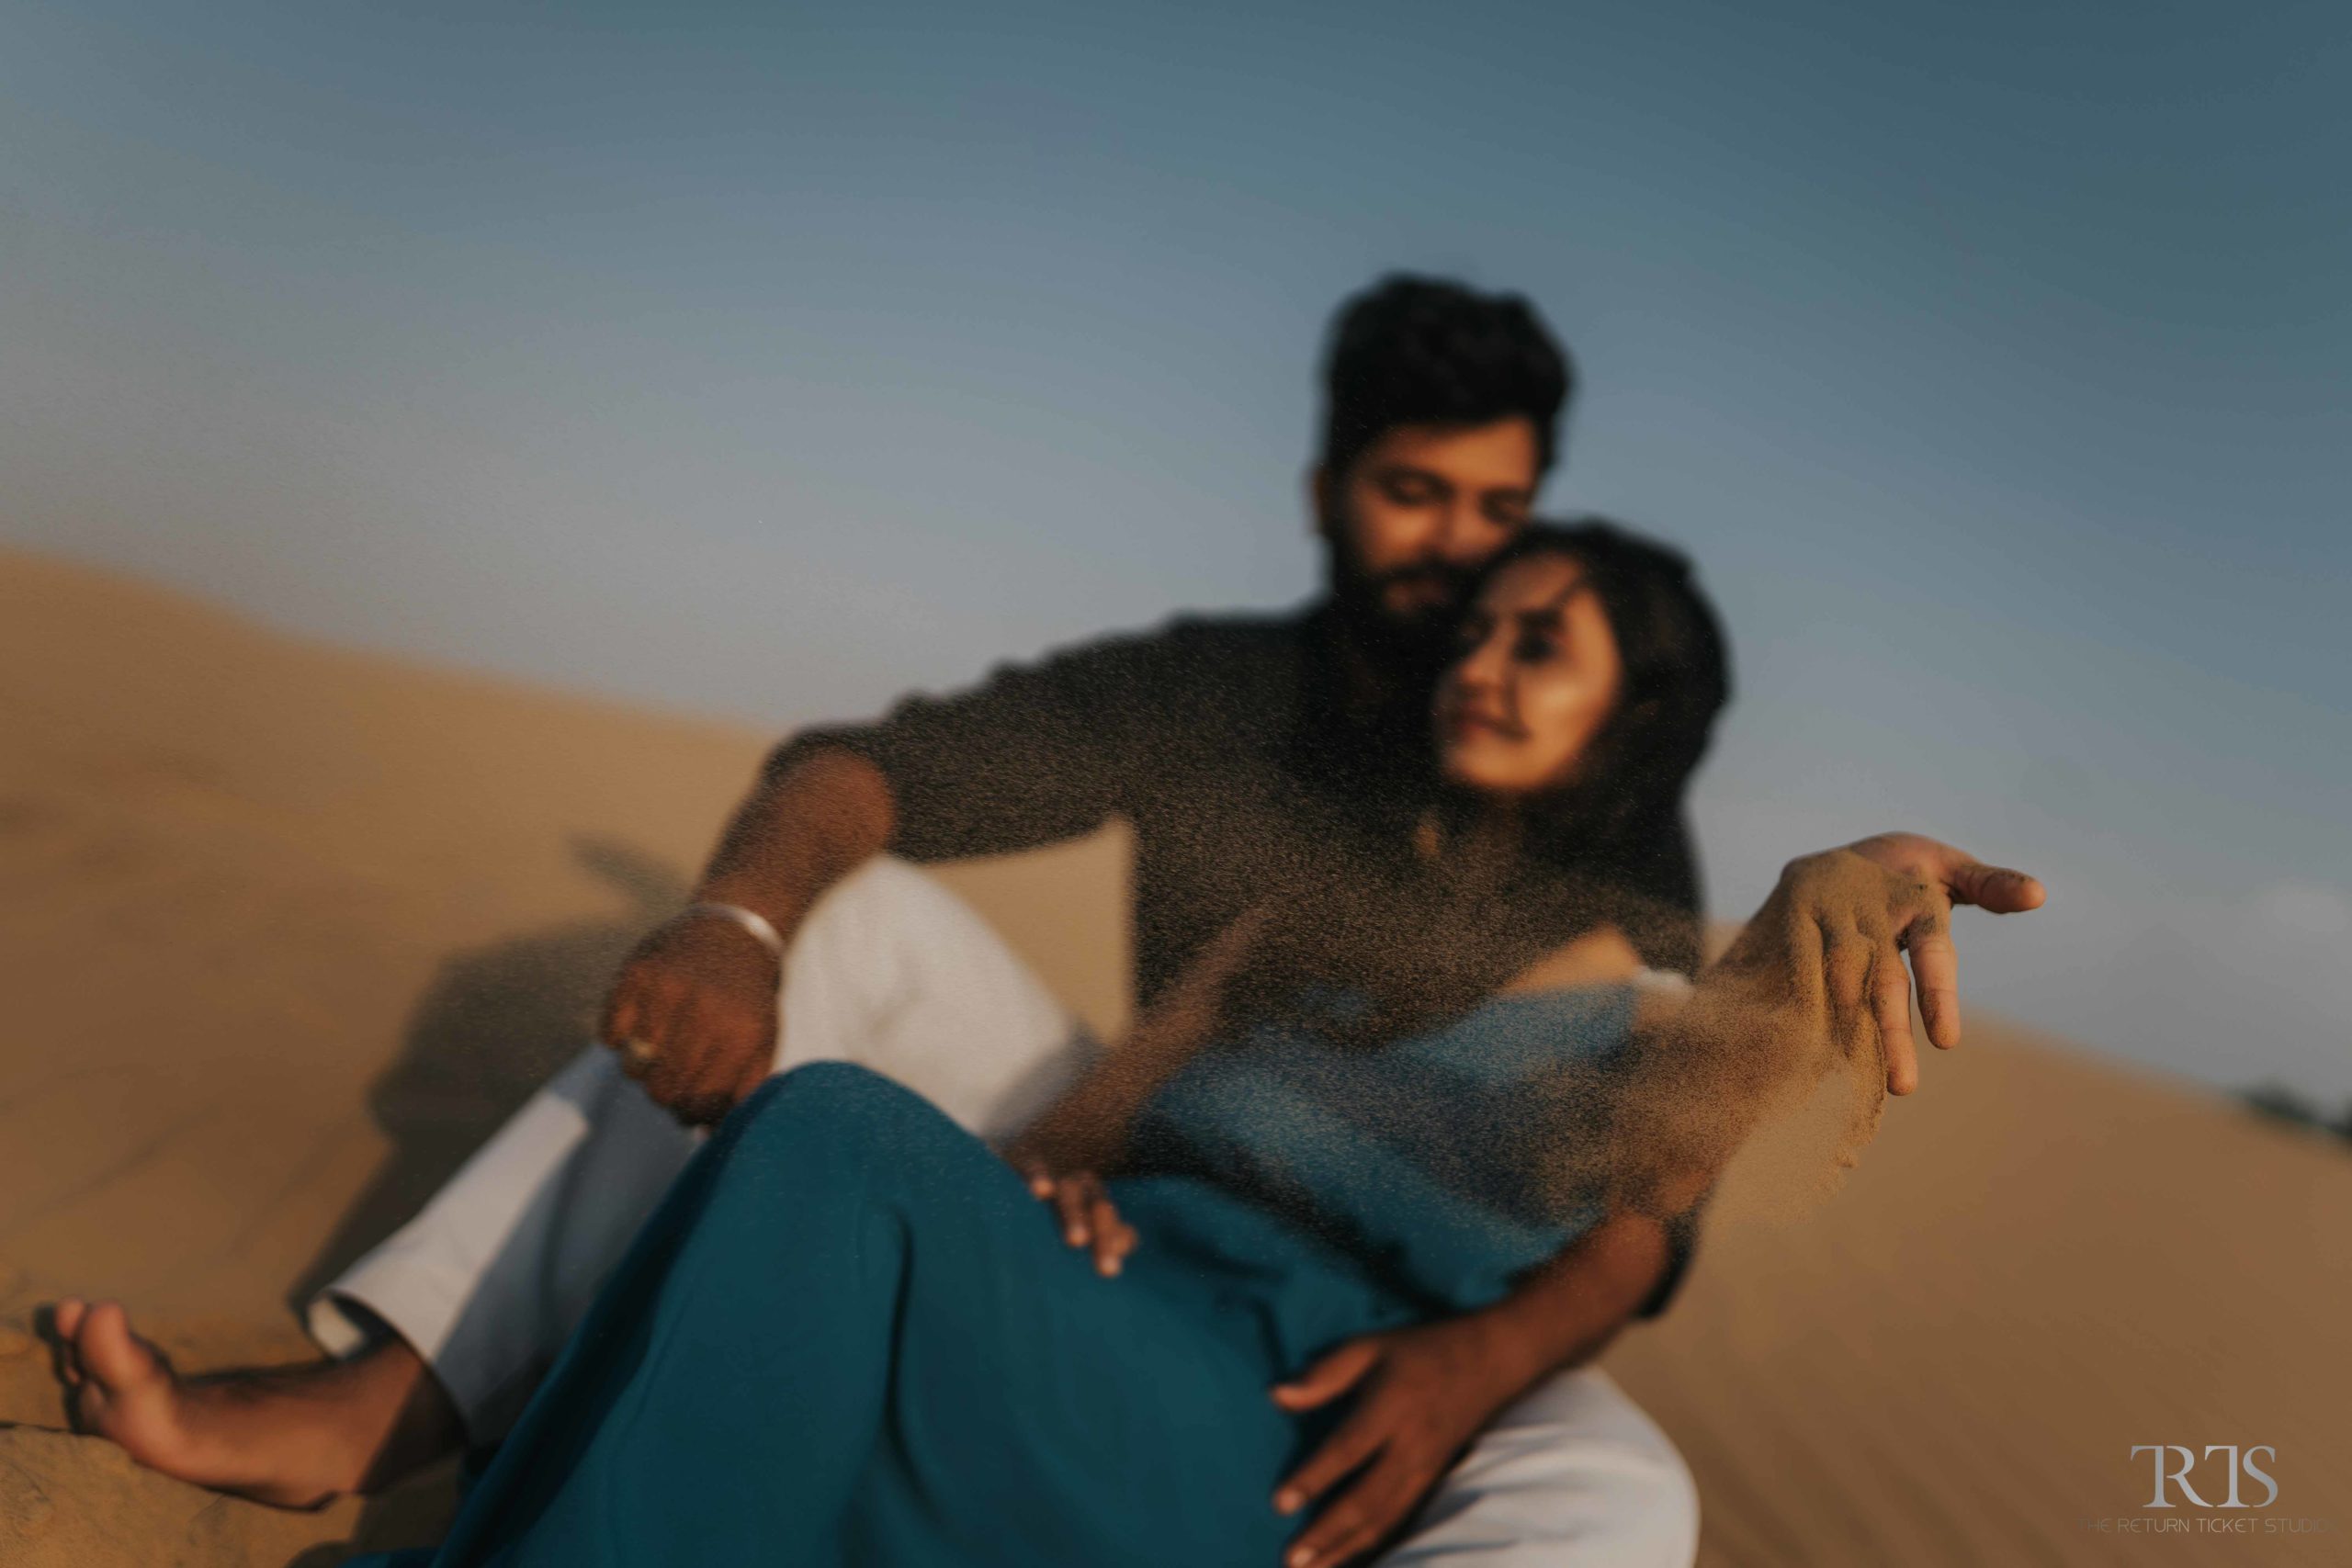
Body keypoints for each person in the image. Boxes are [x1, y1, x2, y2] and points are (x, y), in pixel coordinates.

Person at [53, 525, 2045, 1568]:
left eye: (1543, 640)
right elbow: (1111, 1093)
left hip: (1269, 1414)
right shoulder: (1304, 893)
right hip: (1102, 1299)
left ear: (1630, 723)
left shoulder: (1631, 979)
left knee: (828, 1138)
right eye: (1481, 619)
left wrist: (1796, 956)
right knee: (841, 1132)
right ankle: (389, 1408)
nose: (1483, 652)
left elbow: (1659, 1180)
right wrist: (1036, 1191)